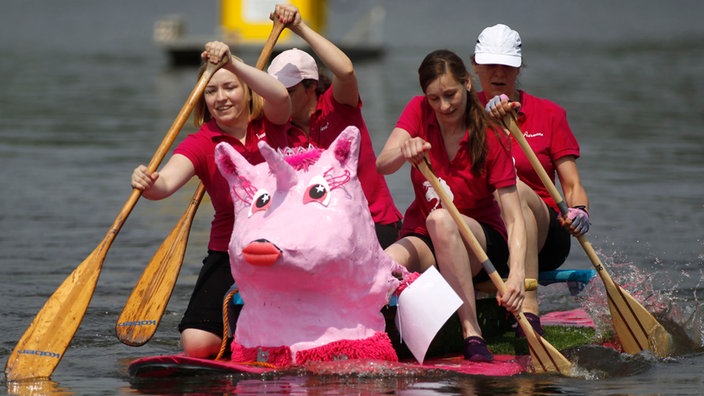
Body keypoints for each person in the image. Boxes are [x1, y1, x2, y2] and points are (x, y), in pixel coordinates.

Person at [130, 41, 291, 358]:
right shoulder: (202, 141)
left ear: (246, 91)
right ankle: (236, 341)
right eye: (211, 91)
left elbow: (281, 95)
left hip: (284, 244)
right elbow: (164, 185)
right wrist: (147, 182)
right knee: (197, 344)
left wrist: (232, 62)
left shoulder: (272, 123)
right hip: (229, 248)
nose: (221, 98)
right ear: (202, 100)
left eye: (230, 87)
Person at [376, 49, 527, 362]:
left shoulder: (491, 134)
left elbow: (514, 218)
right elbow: (383, 164)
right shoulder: (419, 111)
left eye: (450, 94)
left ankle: (471, 331)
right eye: (434, 98)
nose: (443, 106)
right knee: (381, 265)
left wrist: (517, 276)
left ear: (467, 85)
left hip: (482, 245)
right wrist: (406, 149)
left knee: (442, 220)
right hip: (428, 238)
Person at [471, 24, 590, 336]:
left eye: (506, 66)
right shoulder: (462, 113)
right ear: (475, 65)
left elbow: (572, 184)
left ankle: (529, 311)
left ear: (519, 67)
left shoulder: (549, 114)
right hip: (489, 229)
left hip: (544, 233)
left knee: (515, 188)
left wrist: (579, 210)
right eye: (490, 65)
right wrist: (481, 120)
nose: (498, 73)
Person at [267, 3, 403, 248]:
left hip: (375, 223)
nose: (280, 98)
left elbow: (346, 71)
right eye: (275, 91)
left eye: (288, 91)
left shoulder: (339, 104)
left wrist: (300, 27)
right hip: (323, 231)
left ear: (310, 87)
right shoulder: (277, 126)